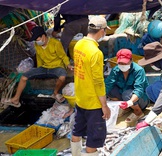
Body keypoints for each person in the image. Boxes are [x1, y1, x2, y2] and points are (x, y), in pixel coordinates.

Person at [2, 26, 73, 107]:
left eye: (37, 39)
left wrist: (68, 65)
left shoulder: (55, 43)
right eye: (35, 40)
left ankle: (55, 93)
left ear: (43, 36)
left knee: (62, 76)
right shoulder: (37, 44)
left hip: (56, 67)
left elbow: (63, 56)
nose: (36, 41)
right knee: (24, 77)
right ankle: (16, 99)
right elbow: (38, 57)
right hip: (44, 67)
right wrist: (38, 70)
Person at [71, 16, 111, 156]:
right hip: (93, 103)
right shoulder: (96, 53)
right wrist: (104, 106)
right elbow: (98, 82)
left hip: (80, 98)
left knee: (77, 132)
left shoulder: (78, 45)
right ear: (101, 31)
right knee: (93, 140)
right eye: (105, 31)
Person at [105, 49, 150, 124]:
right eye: (120, 63)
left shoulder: (139, 70)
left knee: (126, 94)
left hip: (141, 99)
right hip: (125, 97)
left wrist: (130, 102)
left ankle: (138, 112)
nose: (122, 65)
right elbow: (107, 84)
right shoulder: (115, 70)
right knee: (109, 90)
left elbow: (139, 90)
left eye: (125, 63)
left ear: (131, 60)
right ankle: (126, 108)